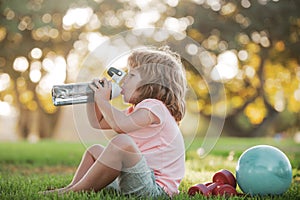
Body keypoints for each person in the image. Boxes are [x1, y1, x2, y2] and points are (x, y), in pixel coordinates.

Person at [41, 46, 187, 198]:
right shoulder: (137, 111)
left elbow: (119, 126)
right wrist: (94, 99)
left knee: (122, 142)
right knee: (95, 151)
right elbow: (98, 122)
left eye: (131, 75)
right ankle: (74, 189)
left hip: (156, 190)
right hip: (138, 179)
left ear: (151, 84)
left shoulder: (154, 107)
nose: (123, 80)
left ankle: (71, 192)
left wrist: (103, 100)